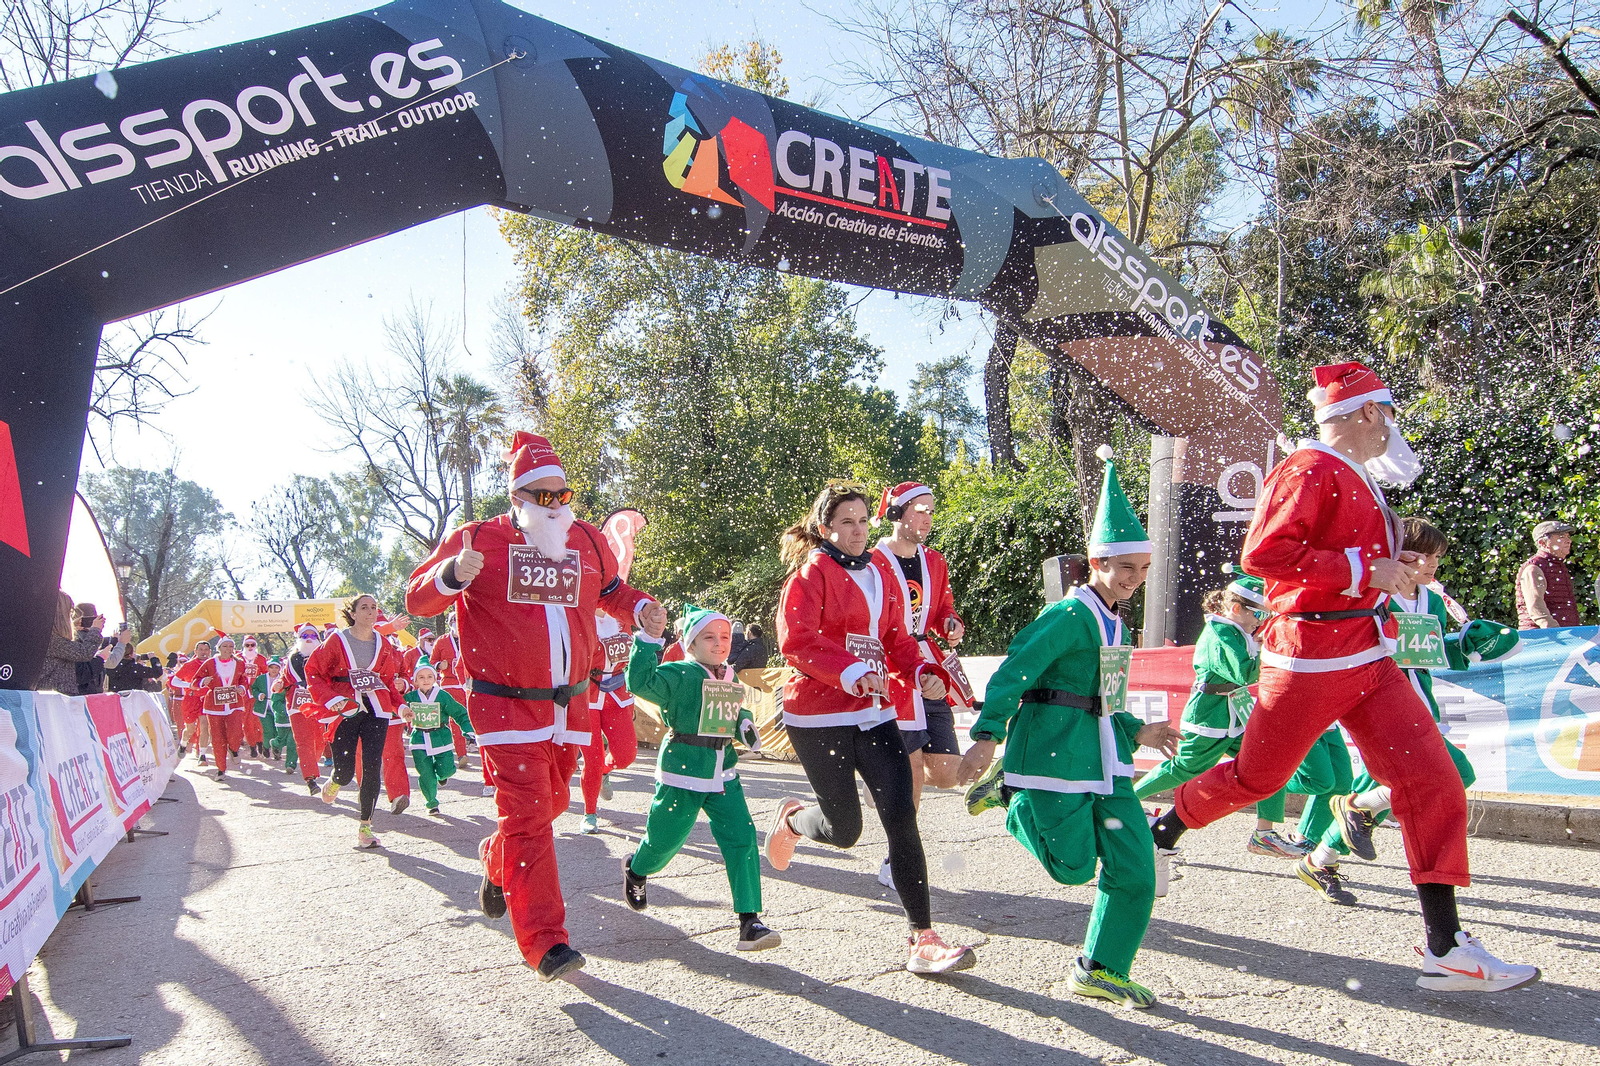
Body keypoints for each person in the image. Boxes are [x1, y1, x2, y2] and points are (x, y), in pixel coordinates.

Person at [1145, 361, 1539, 993]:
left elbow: (1351, 565)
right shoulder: (1309, 467)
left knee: (1435, 779)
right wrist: (1365, 570)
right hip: (1309, 658)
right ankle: (1161, 832)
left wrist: (1396, 573)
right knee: (1256, 779)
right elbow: (1263, 555)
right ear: (1368, 412)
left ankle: (1446, 948)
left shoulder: (1354, 474)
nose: (1393, 427)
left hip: (1368, 655)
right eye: (1389, 414)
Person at [405, 431, 665, 983]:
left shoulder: (586, 540)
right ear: (517, 496)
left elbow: (613, 593)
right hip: (503, 707)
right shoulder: (477, 538)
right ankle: (547, 942)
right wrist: (451, 575)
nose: (556, 505)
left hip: (569, 707)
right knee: (527, 817)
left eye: (563, 494)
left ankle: (496, 859)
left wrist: (640, 606)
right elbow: (417, 598)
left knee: (551, 803)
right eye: (543, 495)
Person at [958, 446, 1179, 1008]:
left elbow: (1109, 698)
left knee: (1136, 868)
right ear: (1097, 562)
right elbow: (1014, 672)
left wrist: (1138, 731)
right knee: (1072, 870)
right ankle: (1011, 798)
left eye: (1143, 569)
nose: (1135, 579)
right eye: (1125, 567)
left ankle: (1101, 969)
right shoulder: (1068, 614)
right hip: (1053, 755)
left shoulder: (1116, 626)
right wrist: (986, 738)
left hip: (1108, 762)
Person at [764, 481, 974, 975]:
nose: (858, 531)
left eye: (862, 521)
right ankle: (794, 820)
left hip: (875, 712)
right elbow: (796, 642)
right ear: (825, 529)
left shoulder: (879, 572)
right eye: (846, 522)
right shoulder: (810, 575)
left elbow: (897, 639)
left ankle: (923, 939)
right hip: (819, 715)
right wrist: (852, 671)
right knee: (845, 831)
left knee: (902, 818)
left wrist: (921, 673)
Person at [1311, 517, 1520, 881]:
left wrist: (1468, 644)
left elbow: (1427, 654)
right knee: (1455, 773)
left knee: (1381, 786)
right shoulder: (1374, 594)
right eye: (1426, 555)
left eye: (1438, 556)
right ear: (1401, 554)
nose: (1434, 563)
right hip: (1380, 703)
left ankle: (1321, 857)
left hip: (1421, 703)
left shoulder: (1432, 599)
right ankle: (1350, 825)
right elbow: (1357, 646)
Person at [622, 604, 779, 951]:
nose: (719, 643)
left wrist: (745, 724)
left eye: (724, 636)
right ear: (690, 644)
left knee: (742, 838)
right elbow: (640, 682)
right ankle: (637, 869)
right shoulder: (679, 672)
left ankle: (750, 921)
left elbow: (735, 711)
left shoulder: (730, 676)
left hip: (724, 772)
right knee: (665, 841)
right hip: (683, 772)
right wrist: (647, 639)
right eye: (709, 637)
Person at [1133, 571, 1309, 860]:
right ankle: (1125, 801)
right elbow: (1245, 673)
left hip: (1234, 713)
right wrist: (1276, 650)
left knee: (1269, 762)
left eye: (1265, 615)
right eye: (1259, 614)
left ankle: (1265, 834)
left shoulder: (1237, 630)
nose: (1261, 621)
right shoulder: (1220, 633)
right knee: (1183, 769)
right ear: (1236, 608)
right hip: (1209, 716)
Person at [868, 481, 967, 890]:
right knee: (909, 777)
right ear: (896, 513)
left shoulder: (935, 561)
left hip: (930, 666)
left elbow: (943, 606)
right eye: (920, 509)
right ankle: (897, 859)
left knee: (947, 774)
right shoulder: (872, 561)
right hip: (891, 670)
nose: (927, 518)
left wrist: (951, 622)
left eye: (931, 510)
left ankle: (880, 781)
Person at [307, 594, 408, 848]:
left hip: (377, 710)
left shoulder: (383, 644)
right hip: (346, 708)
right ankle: (336, 780)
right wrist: (331, 699)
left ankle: (366, 826)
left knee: (372, 766)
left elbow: (387, 681)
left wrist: (401, 706)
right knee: (346, 771)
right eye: (364, 607)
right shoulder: (337, 640)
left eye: (374, 607)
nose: (370, 611)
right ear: (352, 614)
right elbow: (313, 671)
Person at [577, 606, 640, 834]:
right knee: (592, 760)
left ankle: (605, 770)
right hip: (587, 696)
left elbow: (632, 654)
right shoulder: (578, 614)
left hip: (617, 693)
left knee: (626, 754)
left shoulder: (622, 617)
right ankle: (590, 813)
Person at [402, 662, 475, 816]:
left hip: (441, 738)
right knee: (425, 773)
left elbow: (459, 712)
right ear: (415, 681)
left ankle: (442, 776)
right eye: (421, 677)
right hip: (419, 740)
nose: (426, 680)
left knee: (447, 769)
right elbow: (397, 707)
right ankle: (431, 803)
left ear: (435, 679)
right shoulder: (411, 697)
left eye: (429, 676)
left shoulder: (442, 696)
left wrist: (467, 728)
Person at [277, 625, 328, 795]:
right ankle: (310, 779)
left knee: (320, 740)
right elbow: (284, 678)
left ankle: (312, 762)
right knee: (303, 740)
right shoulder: (292, 659)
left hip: (318, 702)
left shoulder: (324, 657)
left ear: (318, 638)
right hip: (296, 703)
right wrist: (279, 684)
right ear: (299, 638)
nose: (309, 639)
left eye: (313, 635)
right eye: (305, 635)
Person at [193, 636, 250, 780]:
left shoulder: (239, 663)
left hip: (234, 703)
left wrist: (242, 687)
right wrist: (203, 681)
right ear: (219, 648)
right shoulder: (210, 663)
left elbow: (244, 679)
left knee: (236, 732)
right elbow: (195, 681)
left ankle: (233, 748)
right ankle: (221, 769)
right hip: (214, 705)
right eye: (225, 646)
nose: (228, 649)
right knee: (217, 737)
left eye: (231, 646)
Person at [36, 593, 106, 695]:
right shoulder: (52, 641)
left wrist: (73, 625)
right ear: (61, 615)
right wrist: (95, 630)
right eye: (69, 613)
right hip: (54, 699)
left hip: (54, 697)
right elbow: (84, 652)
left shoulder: (46, 637)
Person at [1516, 520, 1580, 629]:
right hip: (1541, 636)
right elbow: (1536, 608)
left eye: (1568, 537)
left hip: (1558, 635)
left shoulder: (1557, 565)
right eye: (1561, 537)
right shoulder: (1534, 568)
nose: (1568, 541)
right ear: (1543, 543)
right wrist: (1555, 631)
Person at [172, 639, 214, 762]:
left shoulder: (213, 664)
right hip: (190, 699)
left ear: (210, 652)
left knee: (204, 725)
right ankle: (183, 744)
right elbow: (174, 681)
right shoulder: (189, 665)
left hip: (205, 699)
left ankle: (202, 755)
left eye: (206, 650)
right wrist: (189, 685)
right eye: (200, 650)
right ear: (195, 651)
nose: (203, 652)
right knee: (190, 728)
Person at [72, 604, 127, 696]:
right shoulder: (82, 639)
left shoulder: (74, 638)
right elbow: (111, 662)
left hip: (82, 694)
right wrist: (121, 643)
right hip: (84, 695)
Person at [238, 637, 269, 757]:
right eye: (247, 645)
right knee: (247, 721)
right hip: (243, 694)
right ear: (244, 646)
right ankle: (252, 745)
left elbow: (266, 675)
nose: (250, 647)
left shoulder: (261, 659)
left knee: (258, 720)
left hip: (257, 693)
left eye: (252, 645)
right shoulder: (238, 658)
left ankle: (260, 743)